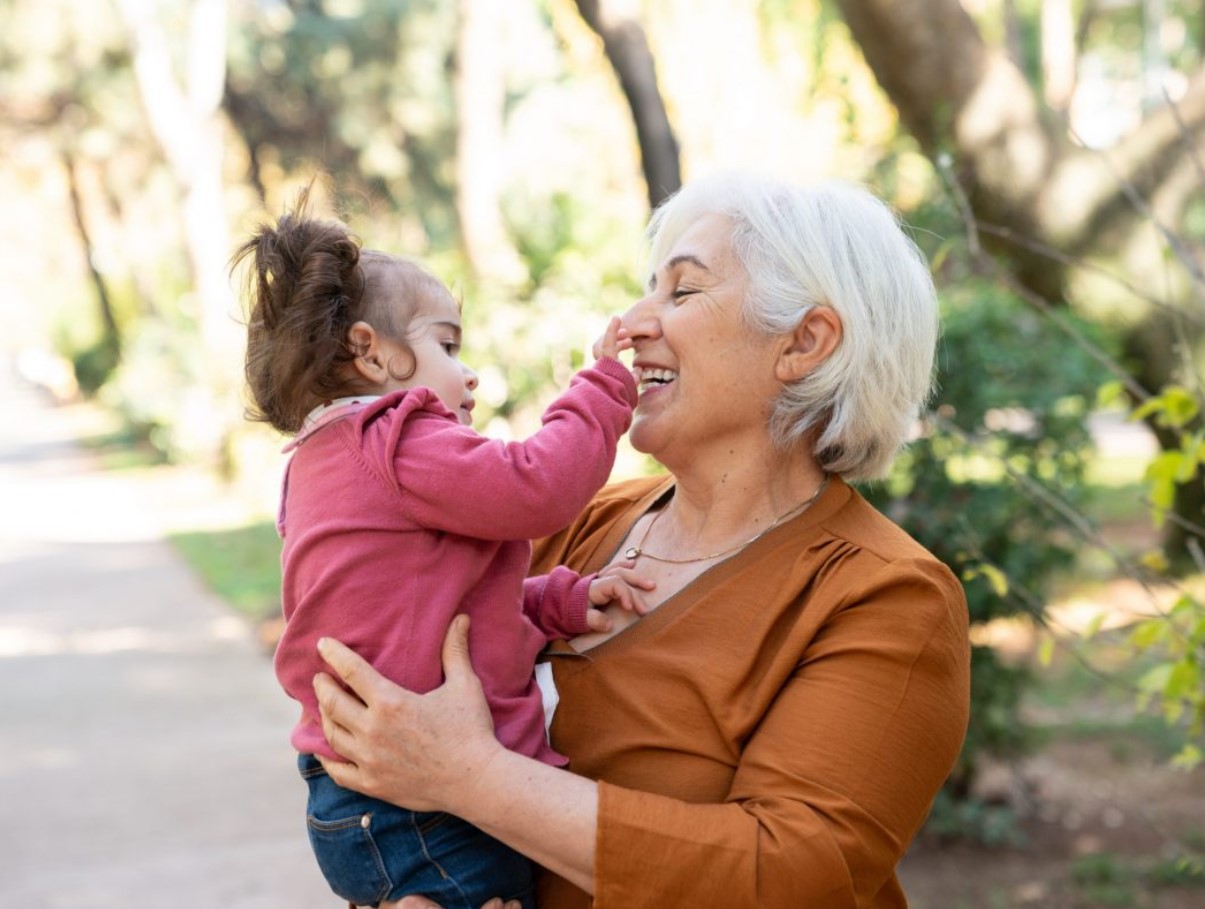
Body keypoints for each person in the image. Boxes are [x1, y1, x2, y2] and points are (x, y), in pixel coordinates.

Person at [310, 172, 972, 909]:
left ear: (805, 342)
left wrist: (472, 776)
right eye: (645, 288)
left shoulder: (884, 596)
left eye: (681, 292)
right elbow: (381, 738)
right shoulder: (570, 528)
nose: (632, 320)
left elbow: (789, 874)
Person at [232, 194, 654, 909]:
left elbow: (431, 608)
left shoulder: (318, 461)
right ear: (371, 352)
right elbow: (539, 485)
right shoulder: (398, 437)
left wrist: (559, 599)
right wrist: (602, 388)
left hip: (351, 797)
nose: (469, 373)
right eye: (447, 345)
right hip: (423, 812)